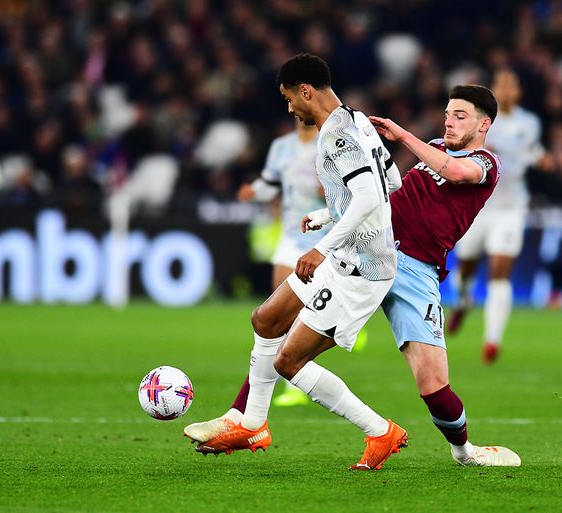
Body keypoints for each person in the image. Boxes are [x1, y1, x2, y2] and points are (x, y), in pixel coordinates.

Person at [187, 79, 521, 467]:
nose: (449, 122)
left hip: (416, 272)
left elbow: (458, 173)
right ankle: (244, 417)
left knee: (433, 385)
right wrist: (330, 215)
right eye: (447, 114)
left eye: (460, 116)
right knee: (271, 323)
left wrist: (402, 135)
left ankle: (465, 452)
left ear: (484, 124)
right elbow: (388, 196)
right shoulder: (435, 148)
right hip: (369, 252)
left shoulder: (486, 163)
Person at [186, 53, 408, 471]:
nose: (290, 109)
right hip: (345, 255)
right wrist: (329, 214)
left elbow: (368, 195)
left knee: (289, 361)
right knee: (266, 320)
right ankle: (252, 423)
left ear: (306, 91)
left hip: (361, 269)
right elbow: (390, 181)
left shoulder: (338, 135)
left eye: (289, 99)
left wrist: (320, 247)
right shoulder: (358, 120)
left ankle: (381, 430)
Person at [448, 68, 551, 364]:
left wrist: (542, 159)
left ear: (518, 92)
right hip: (478, 206)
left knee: (499, 272)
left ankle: (492, 341)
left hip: (510, 208)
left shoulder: (529, 123)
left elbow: (530, 151)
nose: (505, 91)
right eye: (500, 86)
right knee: (466, 267)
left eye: (510, 85)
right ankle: (464, 301)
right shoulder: (480, 121)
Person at [237, 119, 327, 408]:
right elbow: (270, 184)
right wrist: (254, 192)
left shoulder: (329, 144)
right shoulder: (282, 147)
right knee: (281, 311)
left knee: (311, 310)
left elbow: (348, 190)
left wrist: (327, 191)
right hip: (291, 236)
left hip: (323, 237)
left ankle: (296, 367)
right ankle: (293, 382)